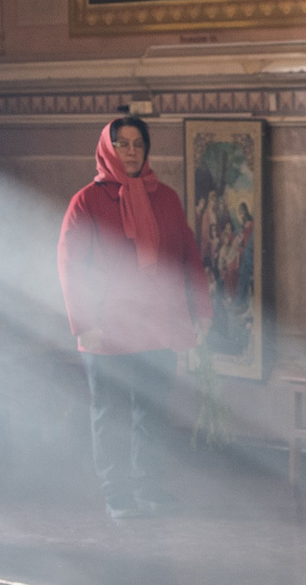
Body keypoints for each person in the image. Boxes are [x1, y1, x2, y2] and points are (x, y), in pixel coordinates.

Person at [56, 116, 209, 520]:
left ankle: (149, 486)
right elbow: (71, 267)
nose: (131, 151)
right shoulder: (86, 201)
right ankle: (117, 493)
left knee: (153, 412)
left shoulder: (166, 198)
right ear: (108, 149)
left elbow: (187, 256)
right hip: (105, 328)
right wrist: (84, 324)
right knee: (111, 413)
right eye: (122, 144)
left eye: (138, 143)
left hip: (157, 325)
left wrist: (200, 309)